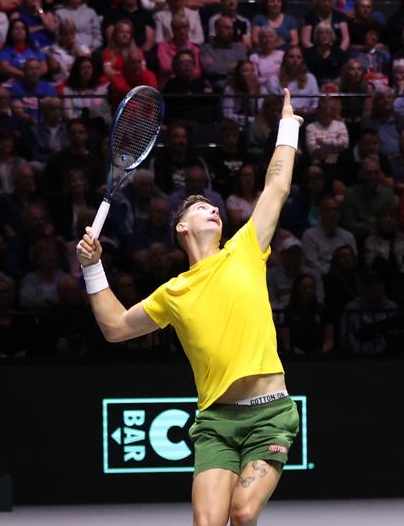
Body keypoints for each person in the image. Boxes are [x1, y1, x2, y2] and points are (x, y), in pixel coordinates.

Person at [76, 89, 305, 525]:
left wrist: (288, 128)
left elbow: (277, 185)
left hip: (269, 413)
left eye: (215, 207)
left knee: (241, 513)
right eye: (203, 207)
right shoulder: (173, 292)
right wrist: (93, 267)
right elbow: (116, 328)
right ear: (181, 226)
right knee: (206, 523)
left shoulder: (245, 248)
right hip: (215, 421)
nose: (214, 209)